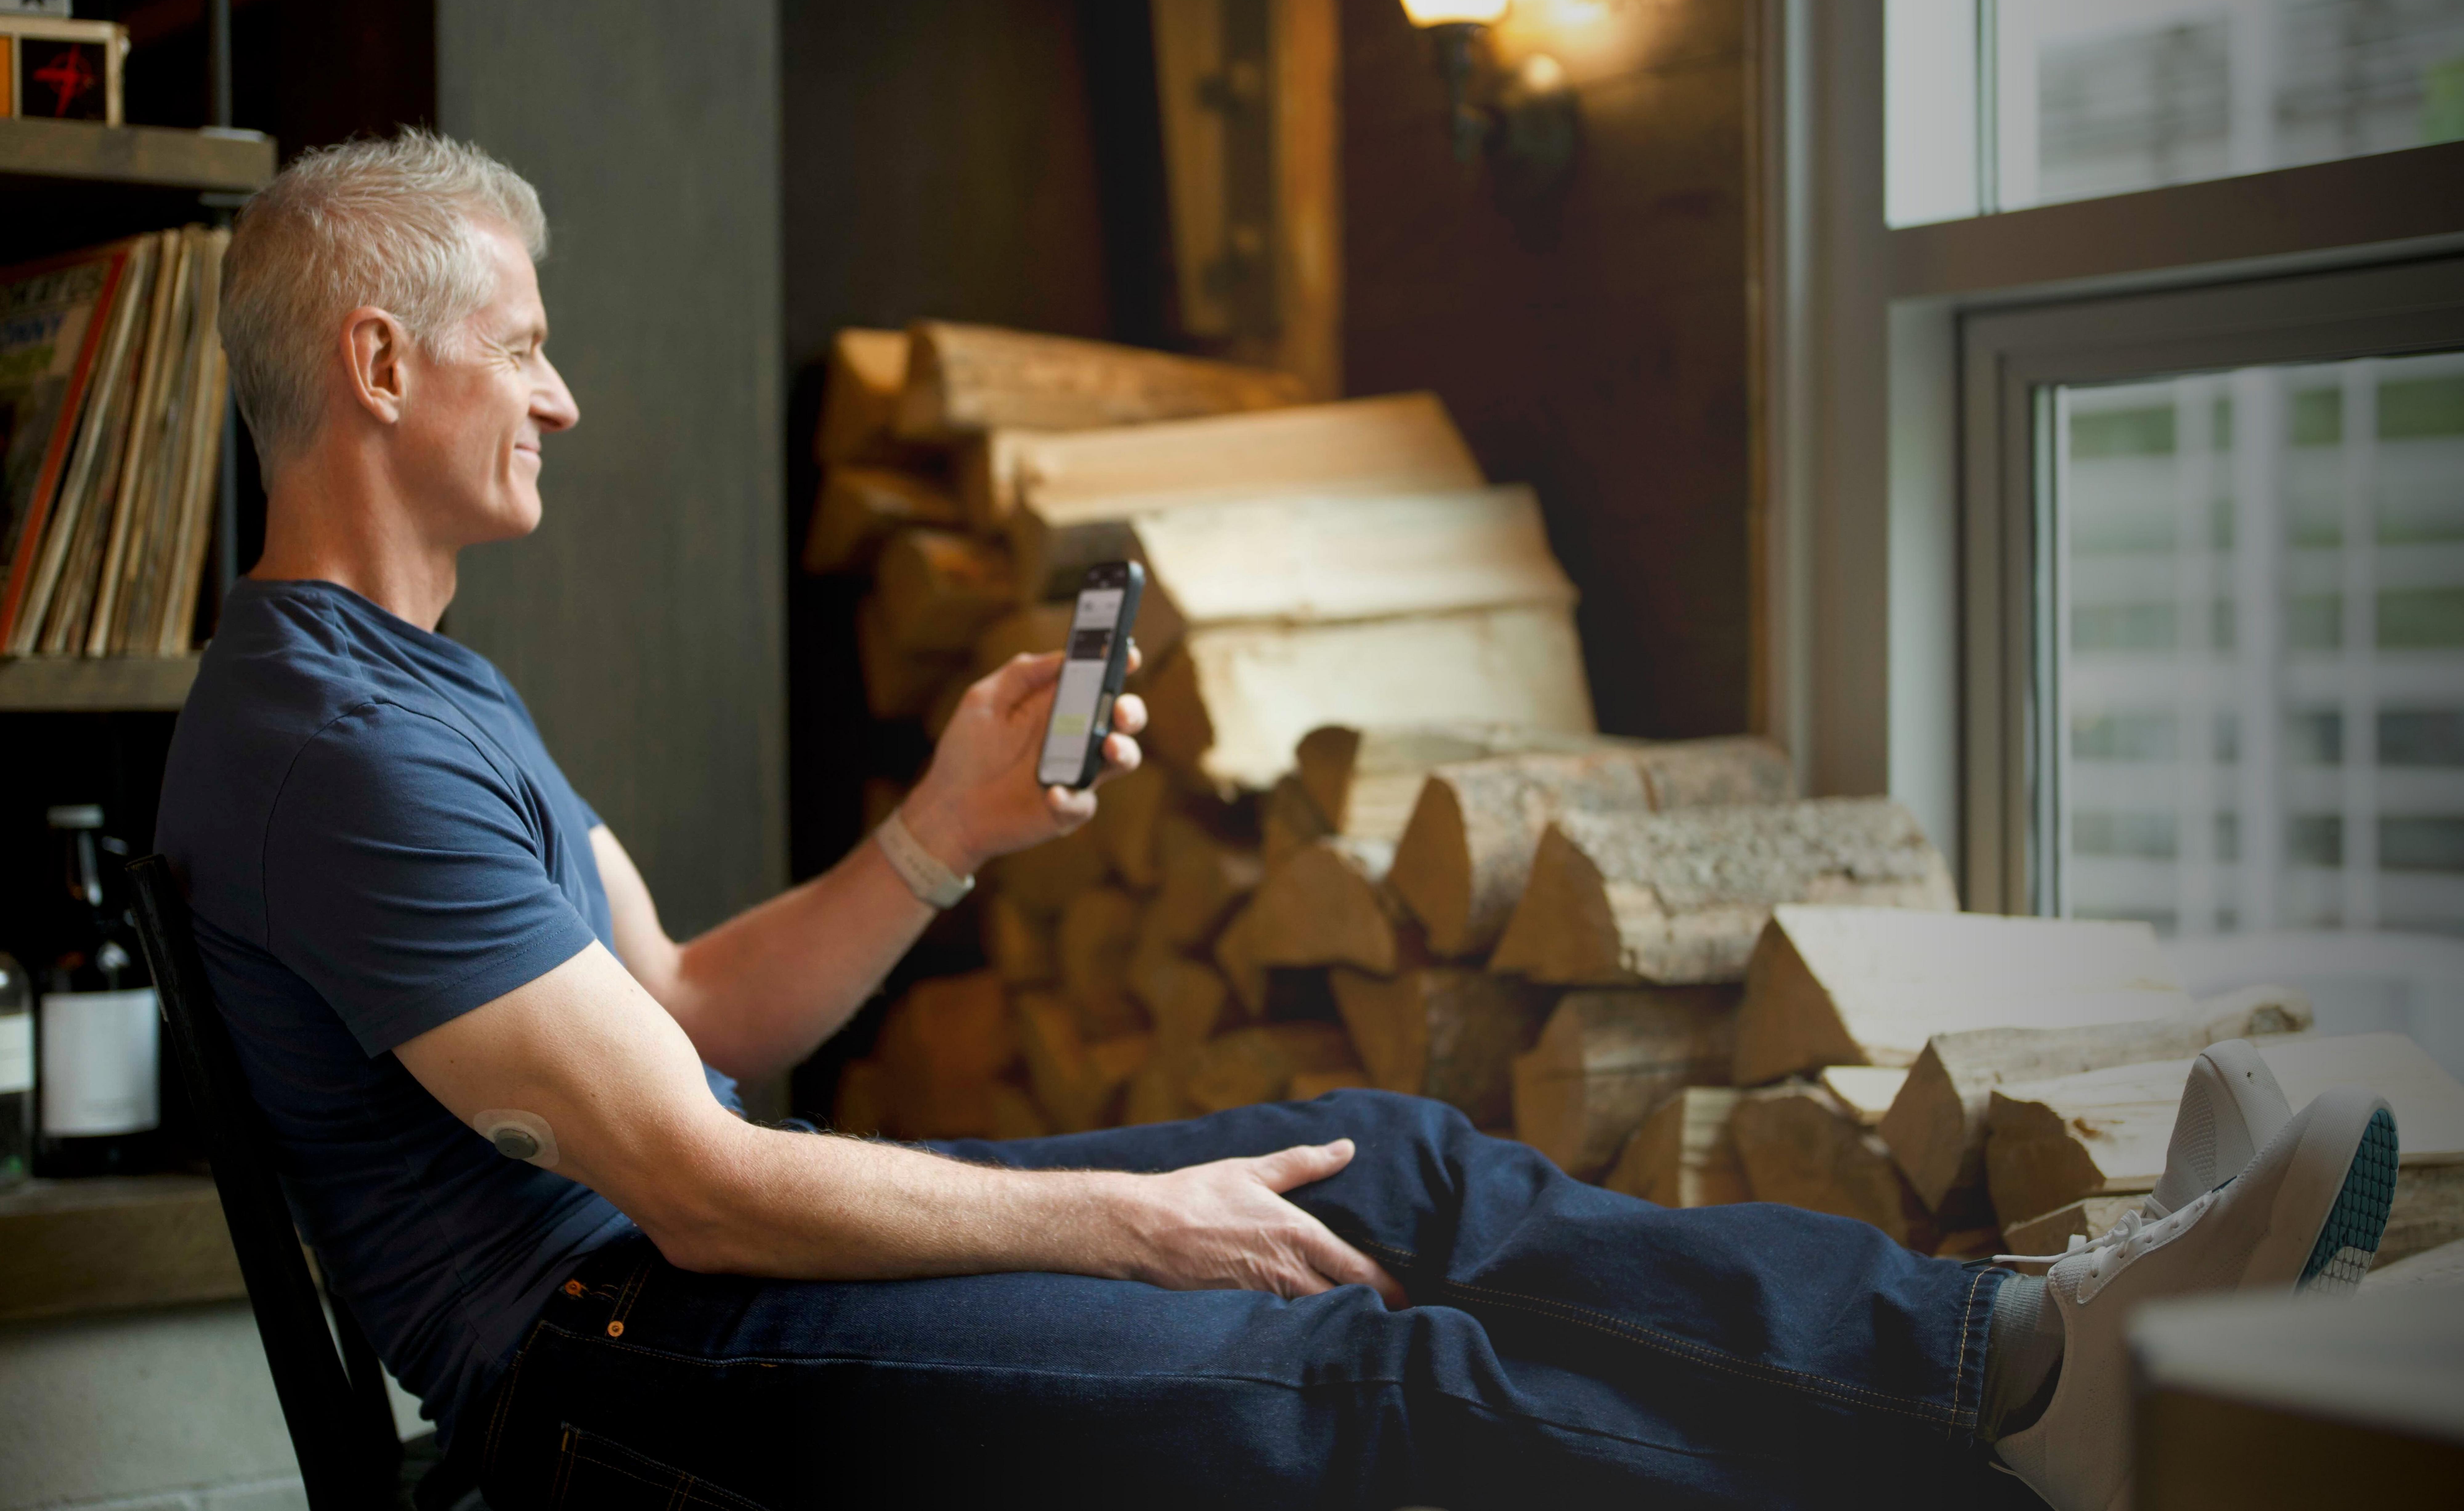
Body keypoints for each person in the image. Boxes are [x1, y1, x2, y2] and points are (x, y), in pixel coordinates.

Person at [156, 132, 2399, 1511]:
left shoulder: (429, 691)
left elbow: (682, 1007)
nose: (557, 390)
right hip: (610, 1376)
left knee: (1392, 1156)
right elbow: (703, 1179)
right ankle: (2040, 1485)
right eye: (523, 346)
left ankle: (2015, 1351)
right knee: (1352, 1364)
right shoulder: (328, 751)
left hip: (675, 1274)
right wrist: (1141, 1228)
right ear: (378, 366)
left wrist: (941, 833)